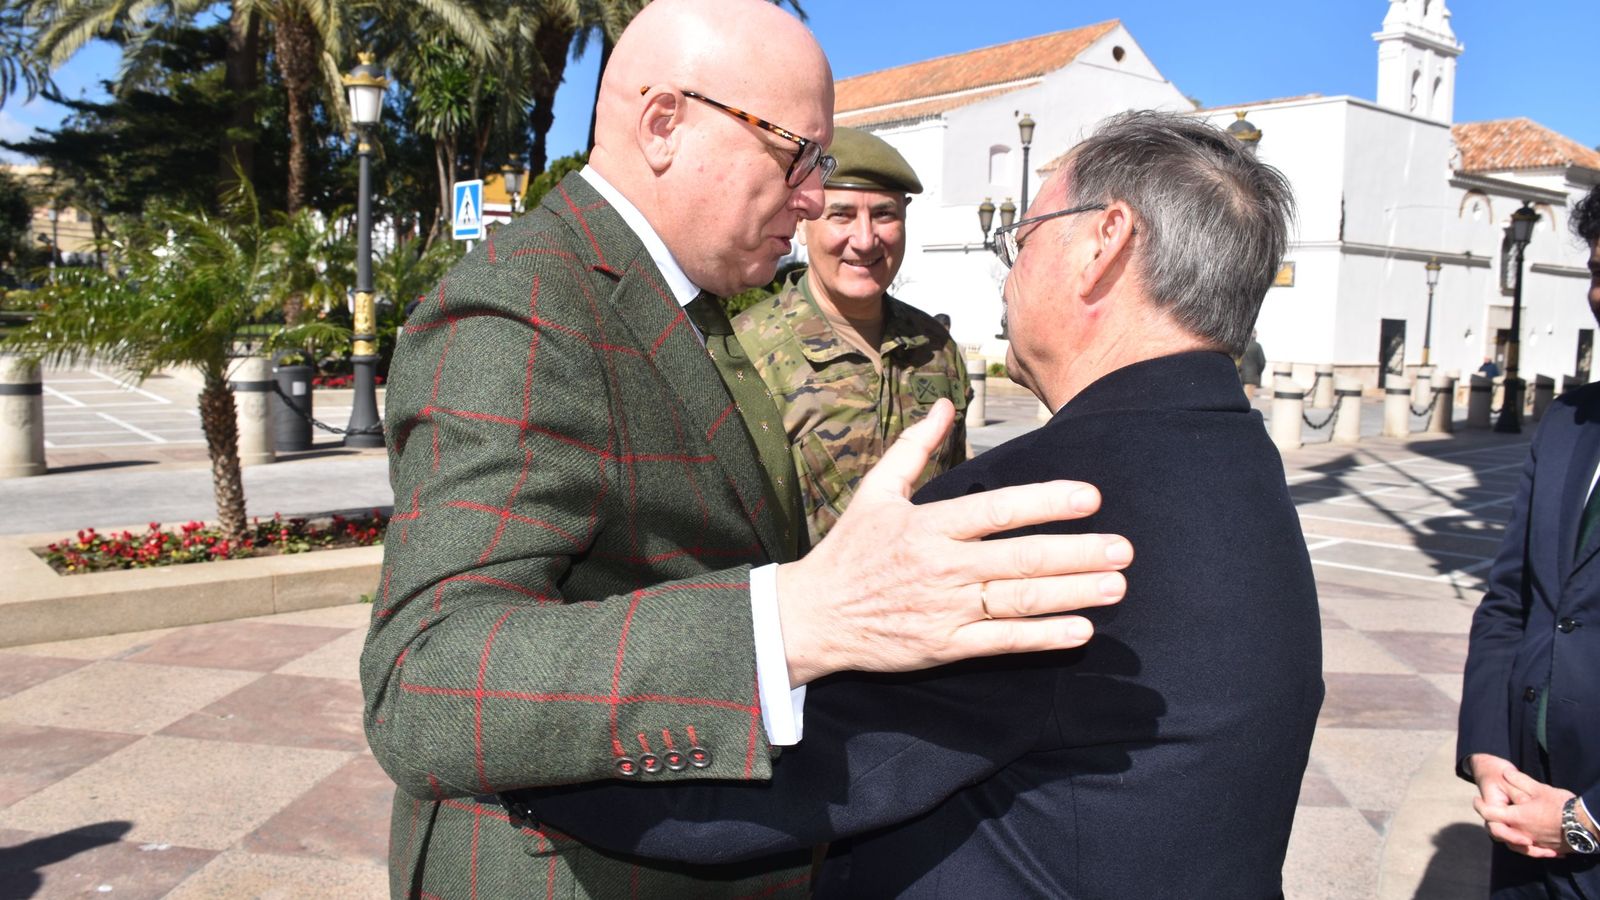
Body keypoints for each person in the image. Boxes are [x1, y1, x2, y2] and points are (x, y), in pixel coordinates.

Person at [360, 0, 1133, 896]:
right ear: (663, 125)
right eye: (796, 153)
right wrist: (793, 621)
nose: (813, 197)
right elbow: (425, 682)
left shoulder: (680, 302)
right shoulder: (526, 306)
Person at [525, 111, 1325, 898]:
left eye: (1023, 237)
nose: (1008, 271)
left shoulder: (1047, 503)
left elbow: (809, 775)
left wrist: (531, 760)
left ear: (1104, 243)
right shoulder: (1240, 460)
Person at [1458, 183, 1600, 898]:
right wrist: (1489, 753)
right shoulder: (1569, 423)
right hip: (1522, 824)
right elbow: (1511, 601)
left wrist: (1587, 821)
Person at [735, 126, 969, 545]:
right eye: (841, 215)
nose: (864, 240)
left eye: (884, 214)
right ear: (803, 224)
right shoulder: (745, 353)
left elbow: (958, 486)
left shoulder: (936, 348)